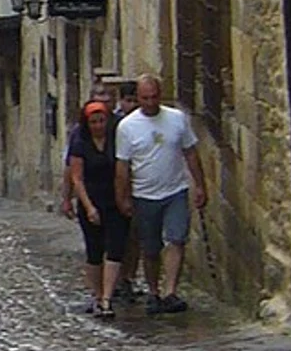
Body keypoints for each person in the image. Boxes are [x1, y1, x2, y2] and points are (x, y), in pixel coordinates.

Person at [115, 75, 208, 314]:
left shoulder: (176, 119)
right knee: (151, 248)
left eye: (154, 97)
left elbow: (190, 152)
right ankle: (154, 290)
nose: (150, 102)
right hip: (144, 195)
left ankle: (170, 291)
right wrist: (123, 197)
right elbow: (122, 166)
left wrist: (199, 184)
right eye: (145, 98)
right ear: (138, 97)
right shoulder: (127, 127)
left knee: (176, 238)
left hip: (175, 190)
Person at [66, 101, 131, 313]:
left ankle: (107, 298)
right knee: (94, 251)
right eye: (93, 122)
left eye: (101, 120)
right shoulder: (81, 142)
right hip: (91, 201)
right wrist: (88, 206)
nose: (98, 125)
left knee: (115, 247)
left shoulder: (116, 139)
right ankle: (97, 294)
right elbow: (77, 177)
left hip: (114, 200)